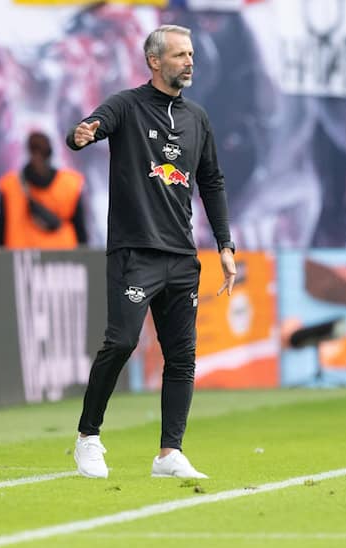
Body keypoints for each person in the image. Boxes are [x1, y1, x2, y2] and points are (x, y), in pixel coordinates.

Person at [67, 25, 236, 480]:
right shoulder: (126, 105)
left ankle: (169, 453)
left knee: (182, 355)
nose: (189, 61)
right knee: (120, 342)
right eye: (180, 54)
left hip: (181, 255)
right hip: (135, 251)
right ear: (154, 61)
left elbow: (212, 182)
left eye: (191, 53)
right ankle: (88, 437)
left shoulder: (197, 118)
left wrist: (224, 244)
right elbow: (88, 127)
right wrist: (83, 134)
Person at [0, 131, 87, 249]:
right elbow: (81, 232)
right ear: (51, 153)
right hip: (64, 262)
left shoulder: (9, 185)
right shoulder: (71, 184)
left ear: (28, 152)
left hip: (20, 262)